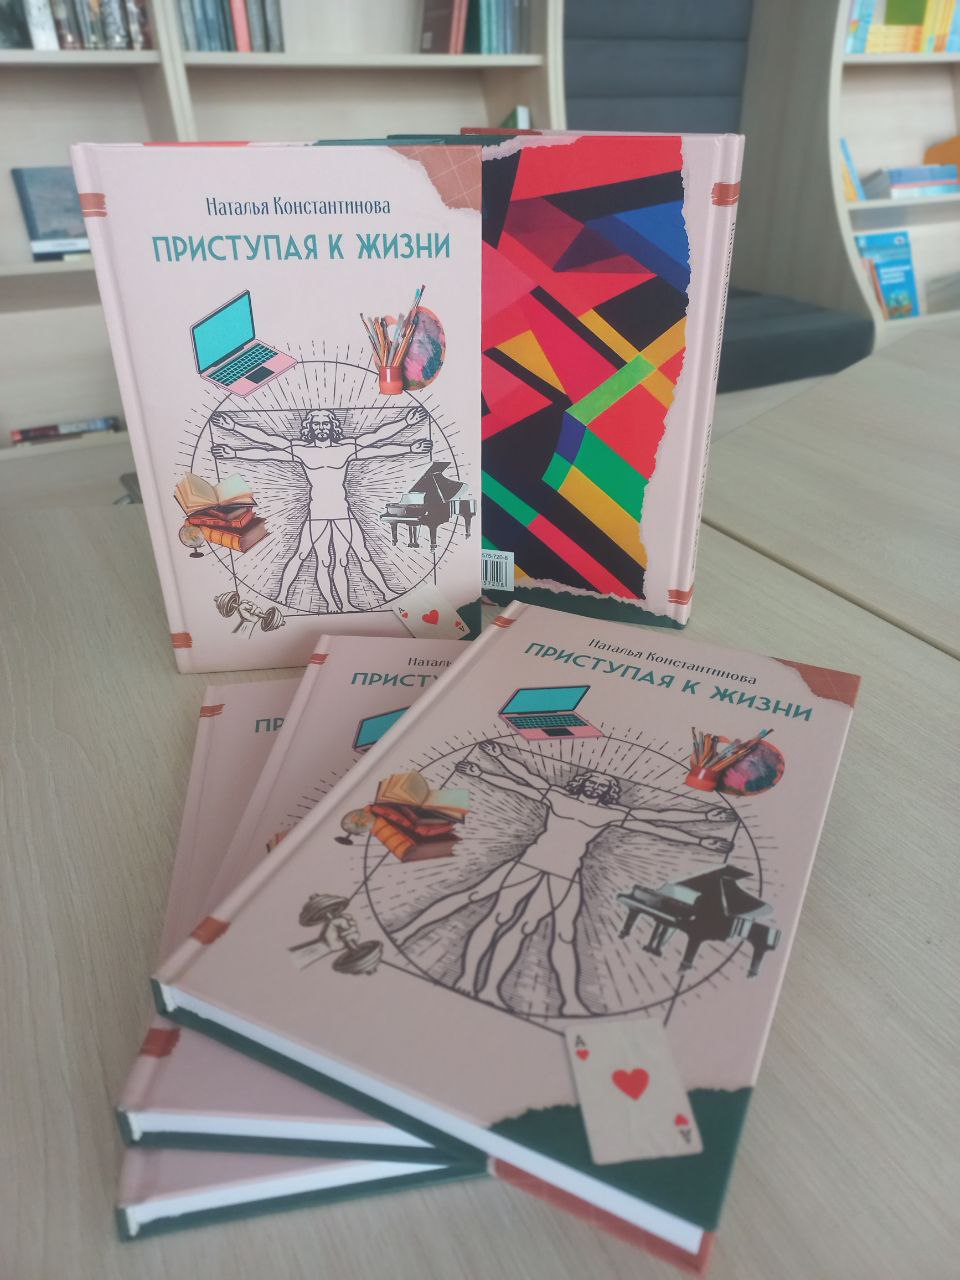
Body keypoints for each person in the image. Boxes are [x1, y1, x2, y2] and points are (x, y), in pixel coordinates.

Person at [394, 742, 736, 1016]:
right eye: (593, 781)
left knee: (550, 932)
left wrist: (702, 831)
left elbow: (658, 822)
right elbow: (522, 780)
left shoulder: (613, 813)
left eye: (604, 784)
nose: (597, 785)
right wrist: (488, 765)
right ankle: (456, 968)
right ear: (582, 783)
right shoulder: (559, 797)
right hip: (530, 864)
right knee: (489, 911)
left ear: (609, 792)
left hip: (565, 874)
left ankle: (521, 994)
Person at [211, 405, 430, 610]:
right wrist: (234, 436)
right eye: (316, 424)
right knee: (313, 558)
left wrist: (408, 433)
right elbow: (268, 446)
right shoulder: (301, 450)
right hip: (317, 515)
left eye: (325, 423)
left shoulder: (346, 448)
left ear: (332, 426)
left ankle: (376, 595)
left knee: (356, 557)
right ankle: (286, 597)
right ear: (310, 427)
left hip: (343, 513)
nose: (321, 427)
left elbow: (377, 443)